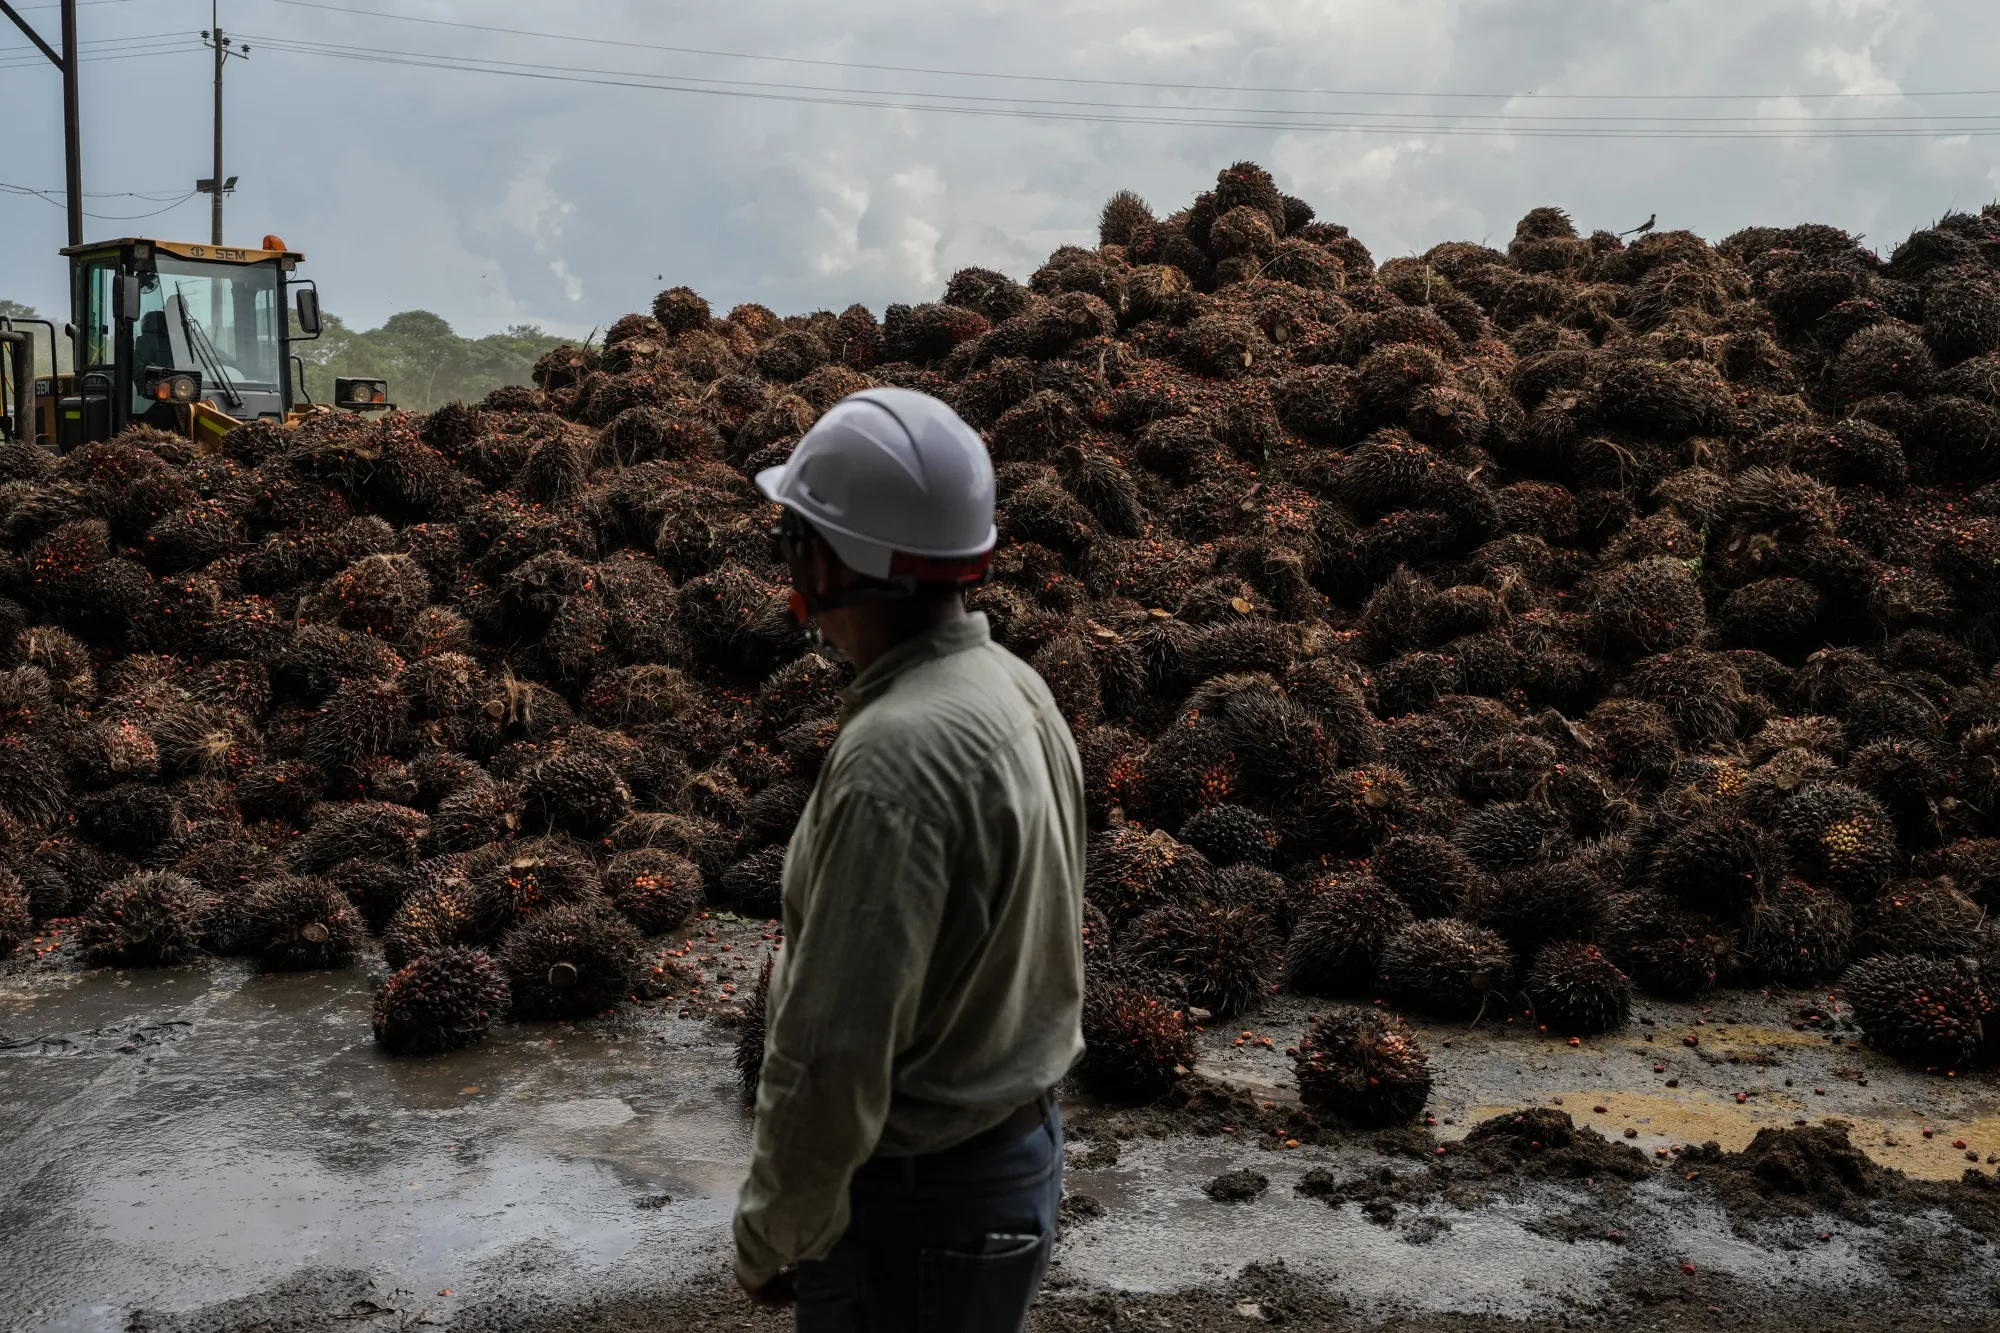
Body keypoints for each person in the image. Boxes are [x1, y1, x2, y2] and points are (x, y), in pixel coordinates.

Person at [733, 387, 1087, 1332]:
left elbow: (834, 1051)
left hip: (915, 1208)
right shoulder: (1017, 690)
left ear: (828, 561)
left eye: (796, 536)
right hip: (1012, 1156)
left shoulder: (895, 759)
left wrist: (776, 1227)